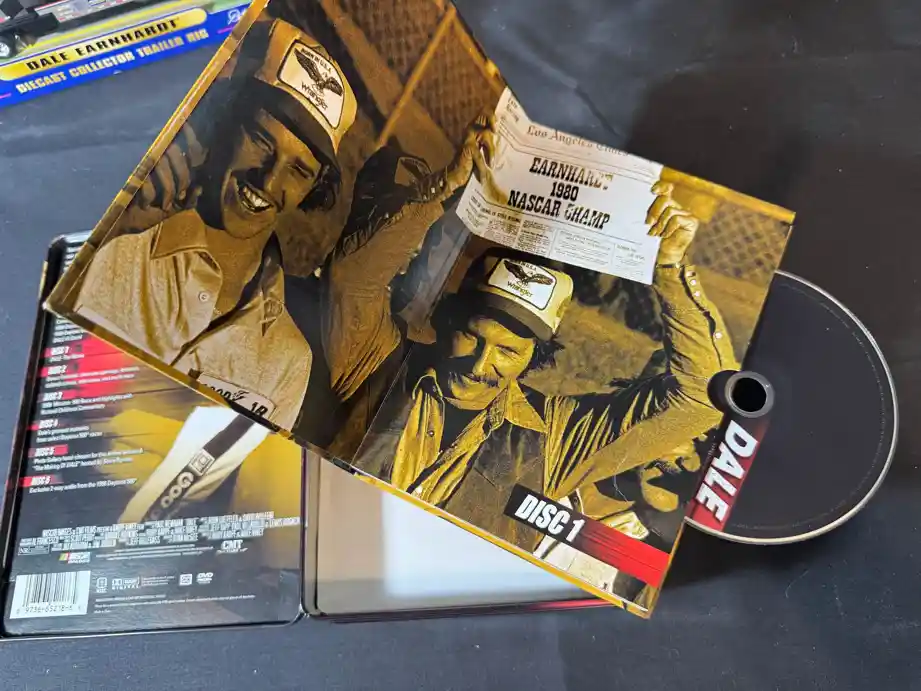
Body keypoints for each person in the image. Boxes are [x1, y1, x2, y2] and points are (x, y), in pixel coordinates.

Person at [324, 163, 740, 552]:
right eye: (472, 337)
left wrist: (670, 267)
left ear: (533, 357)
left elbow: (702, 398)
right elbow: (352, 282)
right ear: (448, 321)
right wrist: (441, 191)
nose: (480, 365)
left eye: (508, 351)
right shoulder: (380, 361)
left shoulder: (555, 439)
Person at [70, 19, 357, 430]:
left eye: (298, 170)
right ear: (225, 119)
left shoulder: (288, 361)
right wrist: (109, 233)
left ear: (314, 188)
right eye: (260, 140)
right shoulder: (120, 237)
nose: (268, 181)